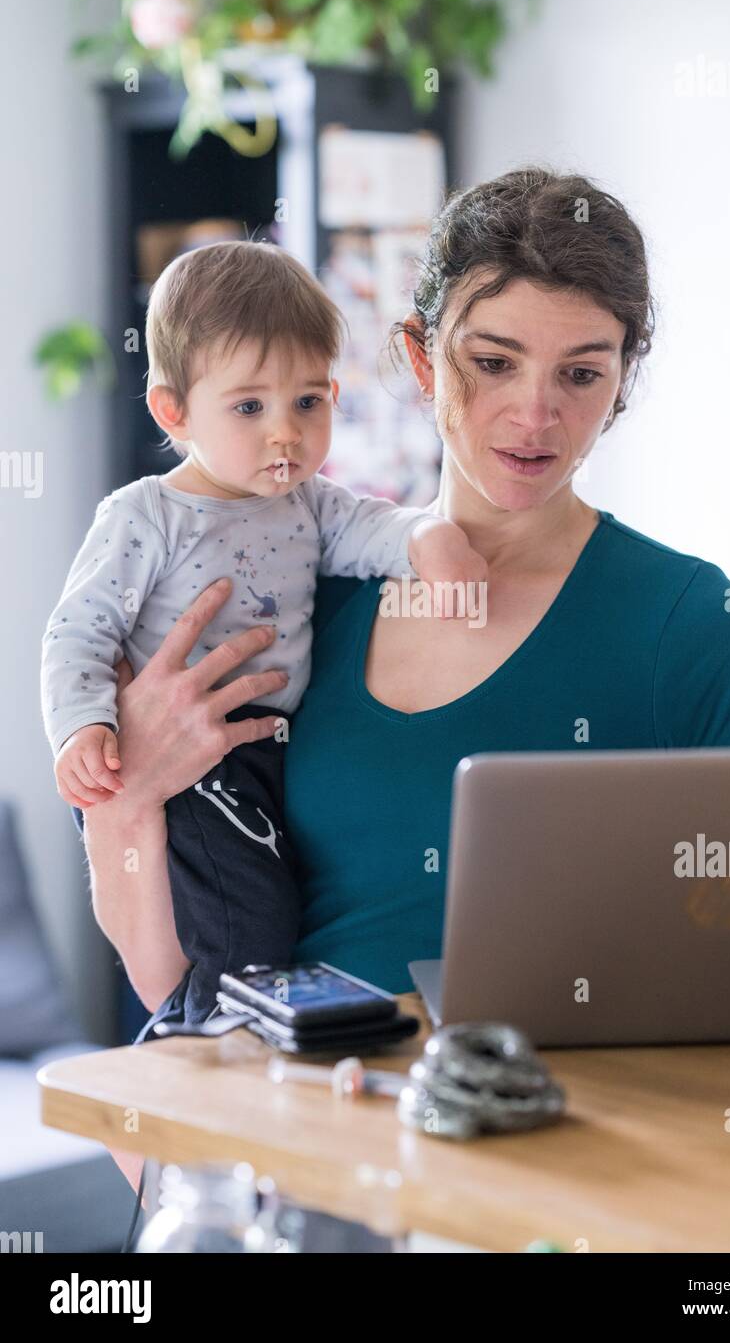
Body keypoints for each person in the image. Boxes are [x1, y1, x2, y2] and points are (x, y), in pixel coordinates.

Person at [73, 166, 730, 1194]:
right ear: (417, 356)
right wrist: (131, 790)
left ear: (623, 380)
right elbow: (176, 976)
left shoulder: (690, 626)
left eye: (581, 374)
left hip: (540, 1163)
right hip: (285, 1147)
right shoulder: (298, 602)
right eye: (492, 362)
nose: (532, 415)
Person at [44, 240, 483, 1026]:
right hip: (185, 762)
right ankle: (206, 1036)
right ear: (174, 411)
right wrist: (84, 730)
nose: (286, 434)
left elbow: (376, 527)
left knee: (280, 895)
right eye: (250, 407)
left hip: (269, 749)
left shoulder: (309, 503)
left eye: (308, 403)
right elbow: (77, 634)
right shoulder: (146, 515)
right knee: (248, 921)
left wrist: (431, 542)